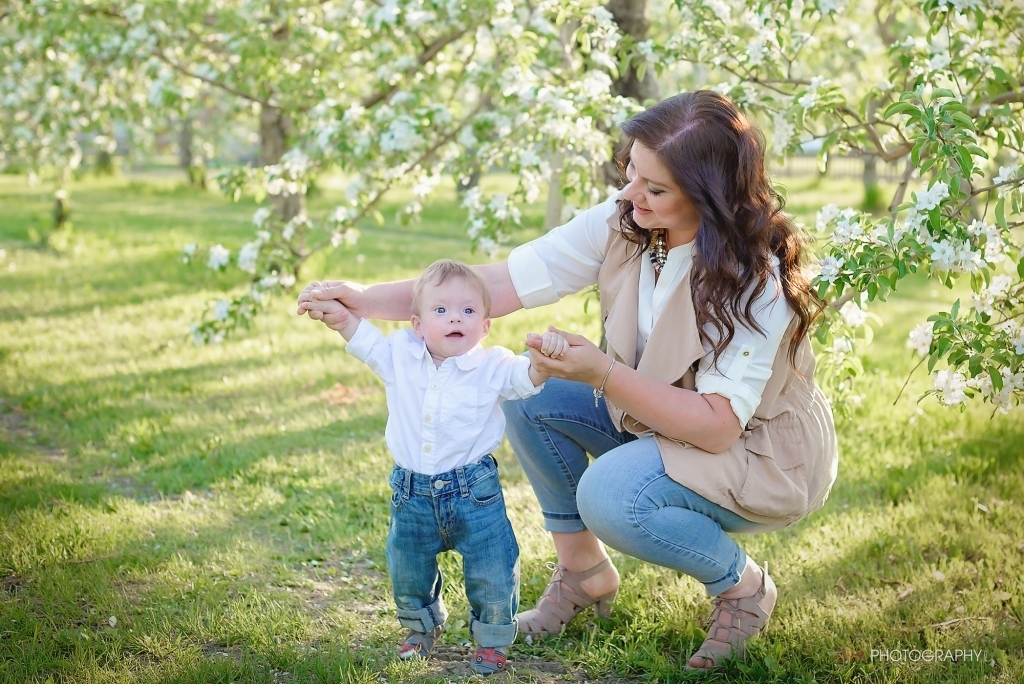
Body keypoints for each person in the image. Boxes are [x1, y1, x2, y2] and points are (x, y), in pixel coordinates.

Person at [298, 90, 838, 671]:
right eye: (630, 170)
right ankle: (585, 575)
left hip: (756, 454)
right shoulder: (627, 222)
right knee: (530, 395)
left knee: (609, 494)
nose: (631, 193)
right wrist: (363, 299)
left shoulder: (758, 281)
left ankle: (743, 587)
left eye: (655, 188)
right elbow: (495, 286)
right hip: (660, 422)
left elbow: (715, 428)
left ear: (708, 197)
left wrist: (602, 372)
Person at [299, 259, 569, 675]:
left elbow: (524, 378)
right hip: (412, 493)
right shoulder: (399, 356)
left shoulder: (493, 365)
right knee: (408, 566)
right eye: (440, 310)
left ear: (484, 326)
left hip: (474, 494)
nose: (454, 317)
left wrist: (543, 363)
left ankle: (493, 639)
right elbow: (362, 337)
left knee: (493, 567)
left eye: (467, 310)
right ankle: (419, 629)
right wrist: (337, 316)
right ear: (418, 325)